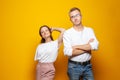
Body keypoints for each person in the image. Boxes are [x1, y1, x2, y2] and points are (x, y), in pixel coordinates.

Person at [63, 7, 99, 80]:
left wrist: (76, 47)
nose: (75, 18)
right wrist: (88, 47)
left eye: (77, 15)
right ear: (70, 20)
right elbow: (68, 52)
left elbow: (96, 45)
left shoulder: (89, 30)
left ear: (81, 16)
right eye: (72, 17)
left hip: (88, 66)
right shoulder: (67, 33)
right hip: (73, 67)